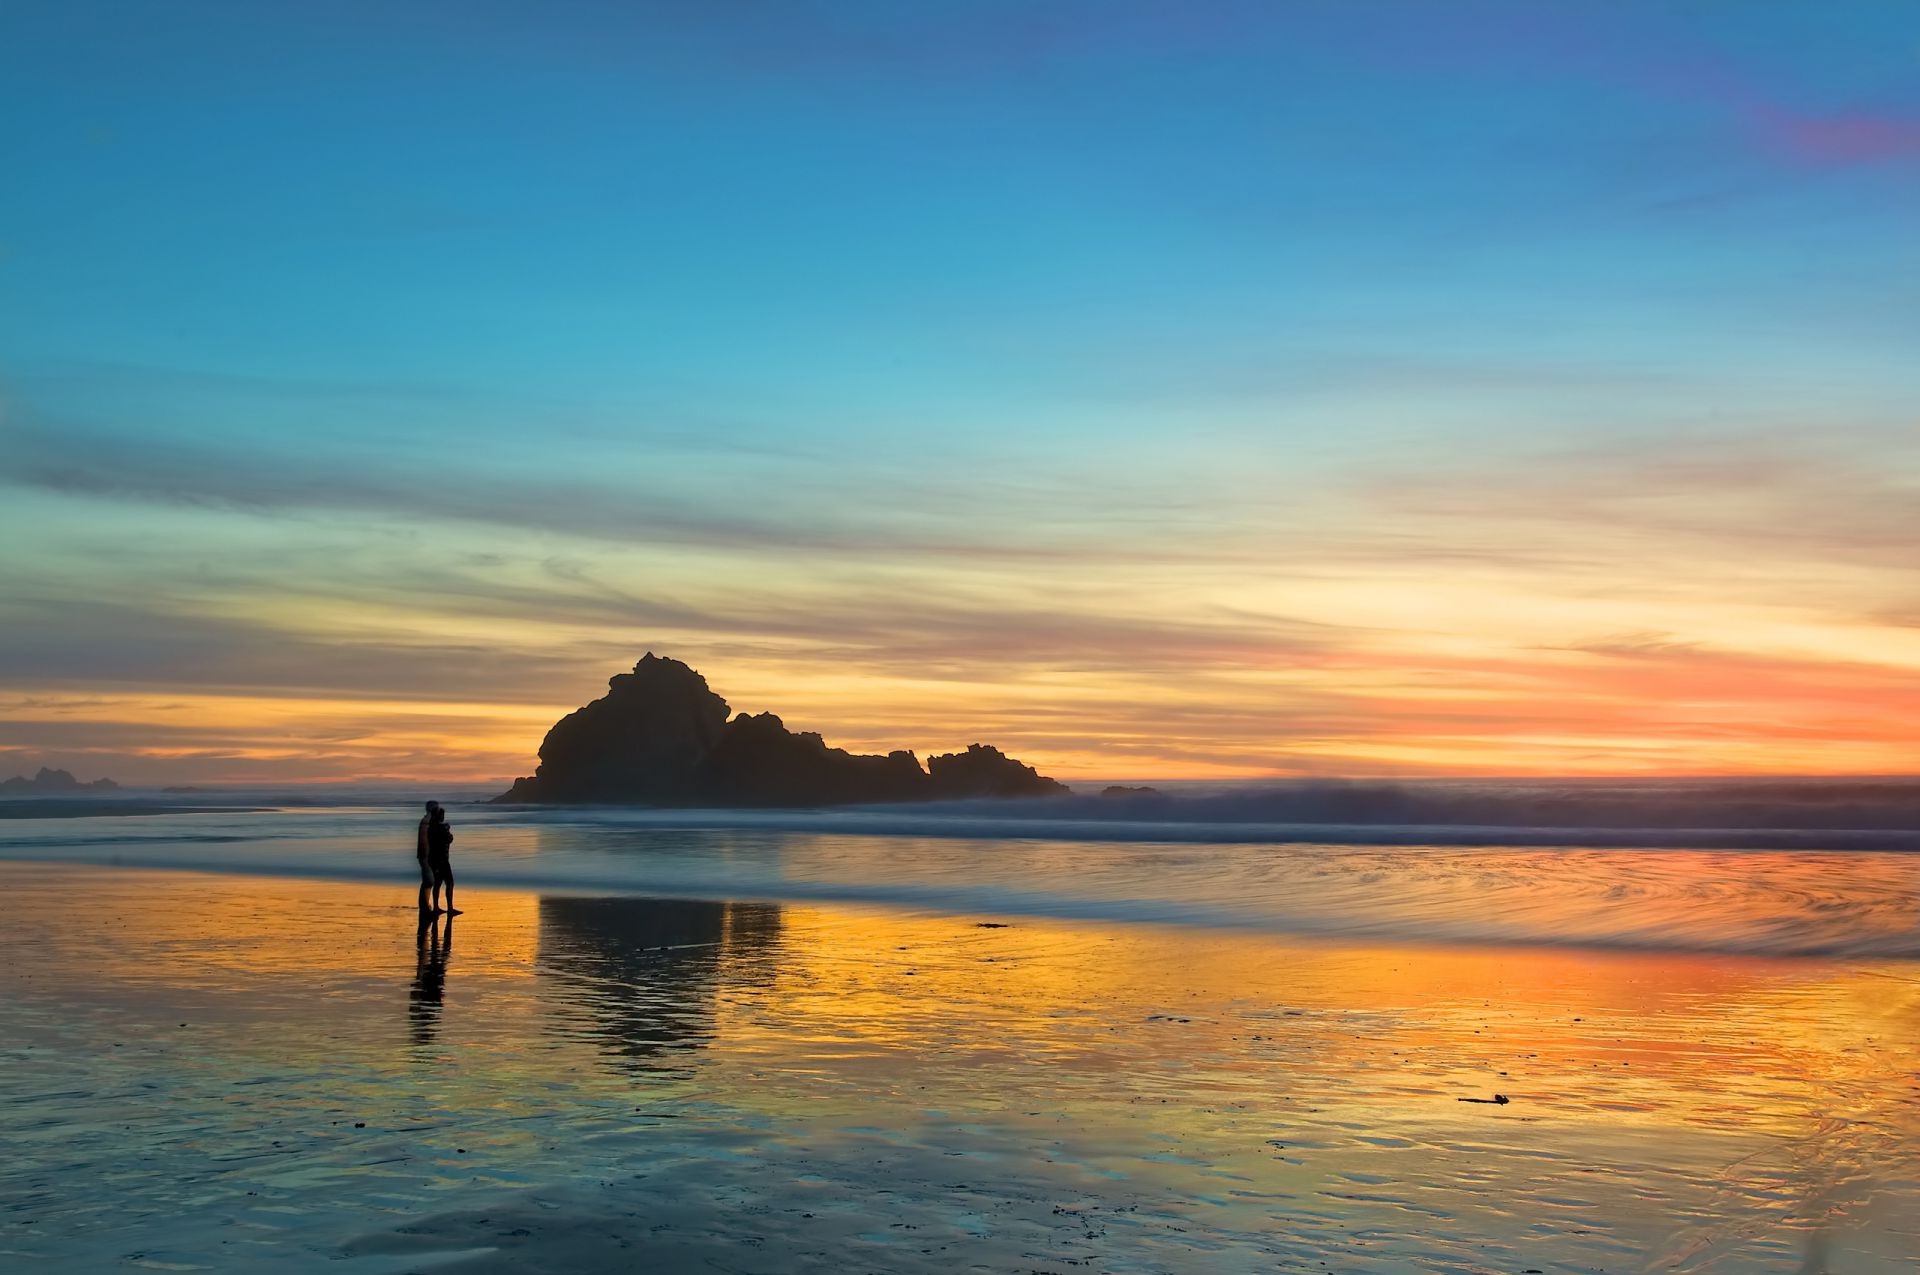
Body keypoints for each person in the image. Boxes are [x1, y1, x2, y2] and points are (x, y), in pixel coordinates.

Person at [424, 801, 460, 916]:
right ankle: (450, 908)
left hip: (433, 859)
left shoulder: (430, 827)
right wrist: (447, 831)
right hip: (442, 859)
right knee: (450, 883)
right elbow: (449, 839)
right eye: (442, 816)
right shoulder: (440, 828)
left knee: (438, 883)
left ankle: (436, 907)